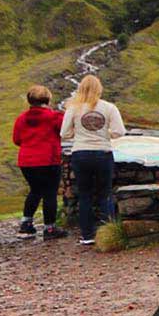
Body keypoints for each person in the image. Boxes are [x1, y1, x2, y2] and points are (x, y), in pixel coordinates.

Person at [60, 74, 125, 245]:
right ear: (99, 89)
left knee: (85, 195)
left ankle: (87, 235)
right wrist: (105, 134)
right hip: (103, 152)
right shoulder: (109, 107)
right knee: (105, 194)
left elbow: (64, 134)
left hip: (80, 153)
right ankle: (109, 234)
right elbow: (120, 131)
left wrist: (79, 134)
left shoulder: (73, 109)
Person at [12, 85, 67, 238]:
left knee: (35, 191)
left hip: (26, 162)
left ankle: (26, 224)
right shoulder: (55, 117)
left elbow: (17, 140)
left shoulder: (21, 119)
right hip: (49, 160)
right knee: (50, 193)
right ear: (48, 99)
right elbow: (65, 132)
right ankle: (50, 228)